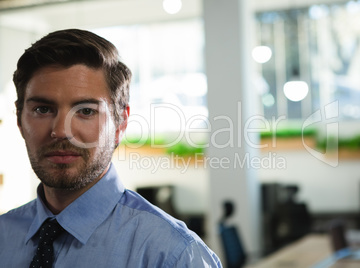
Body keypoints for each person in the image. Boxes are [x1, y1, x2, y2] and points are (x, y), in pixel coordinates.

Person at [0, 29, 222, 267]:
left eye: (85, 111)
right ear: (19, 119)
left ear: (120, 123)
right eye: (43, 109)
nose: (62, 131)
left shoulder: (171, 254)